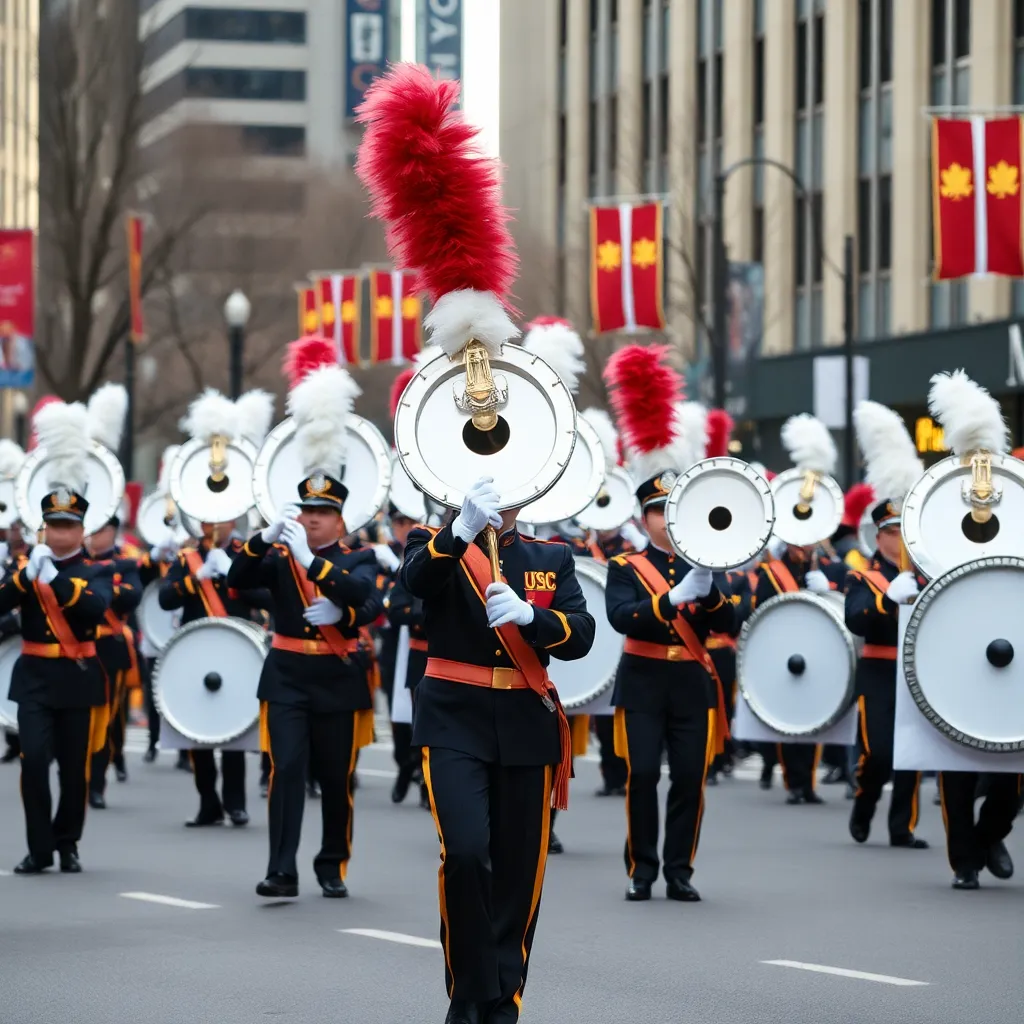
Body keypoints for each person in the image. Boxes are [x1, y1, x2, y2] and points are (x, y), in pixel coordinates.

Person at [402, 476, 595, 1022]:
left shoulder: (550, 555)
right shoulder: (430, 541)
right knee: (464, 853)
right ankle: (468, 992)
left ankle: (504, 998)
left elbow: (582, 634)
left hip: (523, 720)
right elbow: (416, 583)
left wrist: (534, 618)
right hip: (452, 720)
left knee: (517, 871)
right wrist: (459, 530)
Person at [230, 484, 380, 900]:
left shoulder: (359, 557)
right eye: (307, 510)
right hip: (287, 677)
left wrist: (311, 564)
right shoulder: (278, 557)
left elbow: (361, 594)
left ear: (340, 519)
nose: (313, 518)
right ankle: (281, 870)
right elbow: (237, 580)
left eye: (323, 512)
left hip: (338, 676)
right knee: (287, 769)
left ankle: (332, 864)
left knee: (336, 778)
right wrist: (264, 537)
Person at [606, 473, 734, 902]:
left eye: (671, 509)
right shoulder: (624, 567)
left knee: (688, 779)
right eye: (657, 510)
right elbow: (621, 616)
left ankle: (679, 871)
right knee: (641, 775)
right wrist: (671, 599)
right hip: (642, 680)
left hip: (690, 684)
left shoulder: (707, 560)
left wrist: (710, 592)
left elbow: (729, 624)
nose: (665, 519)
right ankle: (642, 869)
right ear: (643, 520)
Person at [2, 402, 113, 873]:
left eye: (70, 526)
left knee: (73, 769)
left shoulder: (94, 570)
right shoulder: (27, 569)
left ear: (82, 530)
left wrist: (57, 582)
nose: (62, 533)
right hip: (33, 677)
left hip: (76, 675)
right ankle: (39, 846)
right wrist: (28, 579)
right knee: (34, 762)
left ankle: (68, 841)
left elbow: (94, 606)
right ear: (43, 527)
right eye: (55, 526)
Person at [159, 520, 267, 827]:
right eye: (207, 517)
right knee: (198, 730)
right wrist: (197, 578)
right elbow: (166, 600)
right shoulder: (187, 558)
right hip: (197, 651)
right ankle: (208, 802)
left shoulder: (246, 555)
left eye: (222, 517)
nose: (215, 523)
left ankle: (235, 804)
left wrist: (235, 575)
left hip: (236, 652)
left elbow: (269, 598)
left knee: (234, 726)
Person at [844, 501, 928, 850]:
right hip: (878, 670)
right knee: (877, 752)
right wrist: (885, 601)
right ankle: (865, 802)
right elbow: (855, 619)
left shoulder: (926, 575)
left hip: (915, 669)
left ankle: (902, 827)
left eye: (903, 532)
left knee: (912, 751)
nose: (899, 540)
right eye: (893, 533)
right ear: (879, 537)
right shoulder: (863, 576)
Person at [752, 541, 846, 805]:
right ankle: (794, 782)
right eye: (798, 543)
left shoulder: (827, 569)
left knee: (814, 719)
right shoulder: (772, 573)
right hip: (783, 652)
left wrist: (824, 591)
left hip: (816, 651)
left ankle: (808, 783)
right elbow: (760, 613)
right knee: (789, 720)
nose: (803, 547)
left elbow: (841, 606)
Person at [85, 515, 142, 807]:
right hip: (75, 648)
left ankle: (96, 783)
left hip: (109, 647)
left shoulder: (125, 564)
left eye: (100, 530)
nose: (94, 535)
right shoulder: (69, 563)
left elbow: (132, 597)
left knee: (104, 720)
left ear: (113, 532)